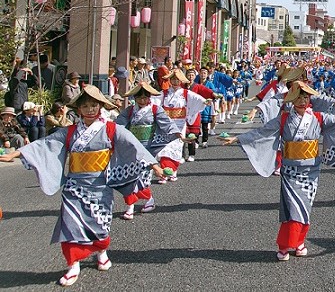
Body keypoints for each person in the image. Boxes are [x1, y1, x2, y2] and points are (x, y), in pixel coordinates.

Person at [0, 85, 162, 286]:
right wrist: (17, 154)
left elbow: (133, 145)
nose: (90, 109)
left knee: (100, 225)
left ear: (101, 106)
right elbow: (45, 144)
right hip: (74, 187)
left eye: (94, 105)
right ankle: (73, 264)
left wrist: (154, 164)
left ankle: (101, 251)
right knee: (69, 226)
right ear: (79, 110)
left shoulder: (111, 129)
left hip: (100, 186)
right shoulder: (69, 132)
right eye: (85, 106)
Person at [219, 82, 335, 260]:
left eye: (306, 97)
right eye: (299, 98)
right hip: (289, 170)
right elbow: (262, 132)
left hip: (311, 170)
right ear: (292, 100)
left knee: (305, 208)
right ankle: (284, 246)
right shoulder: (283, 119)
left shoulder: (319, 118)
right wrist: (237, 138)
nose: (303, 101)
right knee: (291, 208)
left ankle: (299, 242)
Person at [115, 82, 183, 220]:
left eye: (145, 98)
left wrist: (178, 134)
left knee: (142, 178)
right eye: (139, 98)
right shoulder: (129, 111)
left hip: (148, 148)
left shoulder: (155, 109)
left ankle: (144, 201)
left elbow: (167, 123)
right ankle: (133, 205)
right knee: (129, 176)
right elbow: (119, 125)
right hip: (131, 146)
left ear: (149, 98)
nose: (142, 100)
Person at [152, 69, 209, 179]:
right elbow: (155, 101)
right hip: (166, 124)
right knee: (165, 147)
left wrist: (204, 101)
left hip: (179, 123)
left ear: (181, 81)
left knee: (176, 147)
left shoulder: (185, 93)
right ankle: (164, 173)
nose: (175, 81)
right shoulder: (164, 93)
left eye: (177, 80)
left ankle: (173, 171)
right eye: (173, 79)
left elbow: (197, 99)